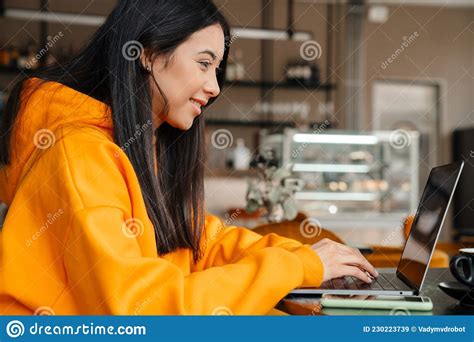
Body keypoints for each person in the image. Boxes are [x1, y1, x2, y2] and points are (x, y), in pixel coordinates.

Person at [0, 0, 377, 315]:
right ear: (147, 54)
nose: (214, 88)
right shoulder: (79, 153)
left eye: (217, 68)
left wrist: (307, 262)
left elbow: (199, 242)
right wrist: (296, 268)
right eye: (203, 63)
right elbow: (142, 312)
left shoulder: (140, 147)